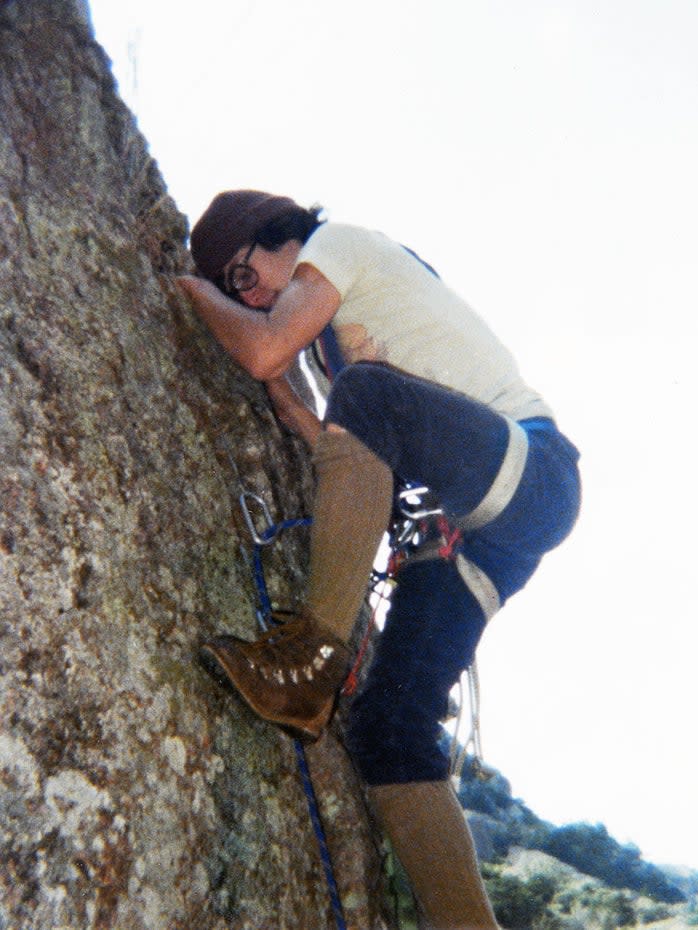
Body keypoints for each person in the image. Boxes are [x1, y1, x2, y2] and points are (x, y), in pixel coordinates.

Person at [178, 190, 581, 930]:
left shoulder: (343, 245)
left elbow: (270, 345)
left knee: (367, 393)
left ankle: (308, 660)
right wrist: (289, 397)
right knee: (389, 731)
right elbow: (349, 455)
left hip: (533, 471)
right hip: (482, 526)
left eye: (245, 275)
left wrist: (194, 293)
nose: (255, 295)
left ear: (285, 237)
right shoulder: (339, 349)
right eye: (238, 288)